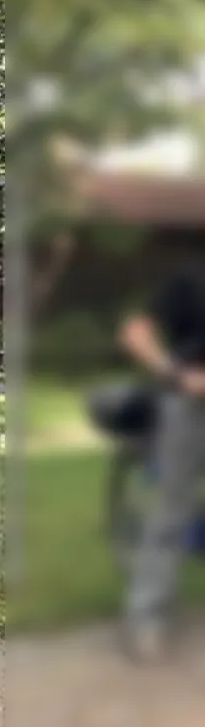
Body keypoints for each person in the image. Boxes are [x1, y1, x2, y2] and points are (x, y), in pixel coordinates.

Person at [118, 259, 205, 661]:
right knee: (172, 513)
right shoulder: (189, 278)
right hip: (189, 409)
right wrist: (175, 373)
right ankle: (147, 621)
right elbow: (136, 333)